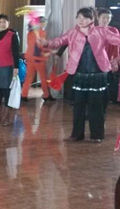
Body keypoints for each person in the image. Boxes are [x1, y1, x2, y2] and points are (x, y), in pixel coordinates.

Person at [42, 7, 120, 143]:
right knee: (78, 106)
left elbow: (117, 40)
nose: (81, 20)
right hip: (79, 74)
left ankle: (97, 135)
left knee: (96, 106)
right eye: (78, 17)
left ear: (92, 19)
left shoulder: (101, 31)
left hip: (97, 74)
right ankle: (77, 134)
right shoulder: (72, 32)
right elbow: (59, 41)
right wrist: (47, 43)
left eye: (84, 18)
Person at [21, 16, 51, 102]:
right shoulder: (41, 32)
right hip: (38, 58)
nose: (44, 24)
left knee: (29, 78)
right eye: (43, 22)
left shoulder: (30, 33)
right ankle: (46, 95)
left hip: (30, 58)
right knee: (43, 78)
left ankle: (24, 95)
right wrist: (48, 52)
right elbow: (41, 46)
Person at [97, 8, 120, 104]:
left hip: (109, 60)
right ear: (98, 18)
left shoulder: (113, 30)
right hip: (95, 61)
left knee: (107, 82)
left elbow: (117, 46)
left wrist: (116, 59)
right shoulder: (93, 30)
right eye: (104, 17)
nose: (106, 20)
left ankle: (106, 100)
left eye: (108, 18)